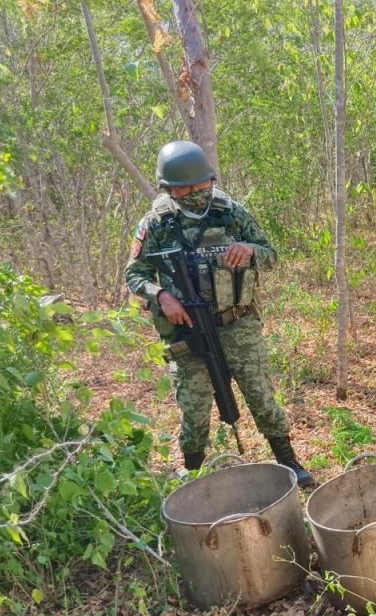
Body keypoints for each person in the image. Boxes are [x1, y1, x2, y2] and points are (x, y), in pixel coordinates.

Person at [125, 140, 315, 488]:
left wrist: (249, 250)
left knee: (260, 395)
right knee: (194, 409)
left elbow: (271, 254)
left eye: (201, 185)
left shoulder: (230, 212)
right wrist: (161, 295)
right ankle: (194, 474)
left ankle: (288, 460)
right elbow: (134, 274)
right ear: (168, 188)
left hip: (237, 322)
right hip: (187, 330)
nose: (195, 194)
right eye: (185, 189)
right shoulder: (157, 223)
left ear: (210, 179)